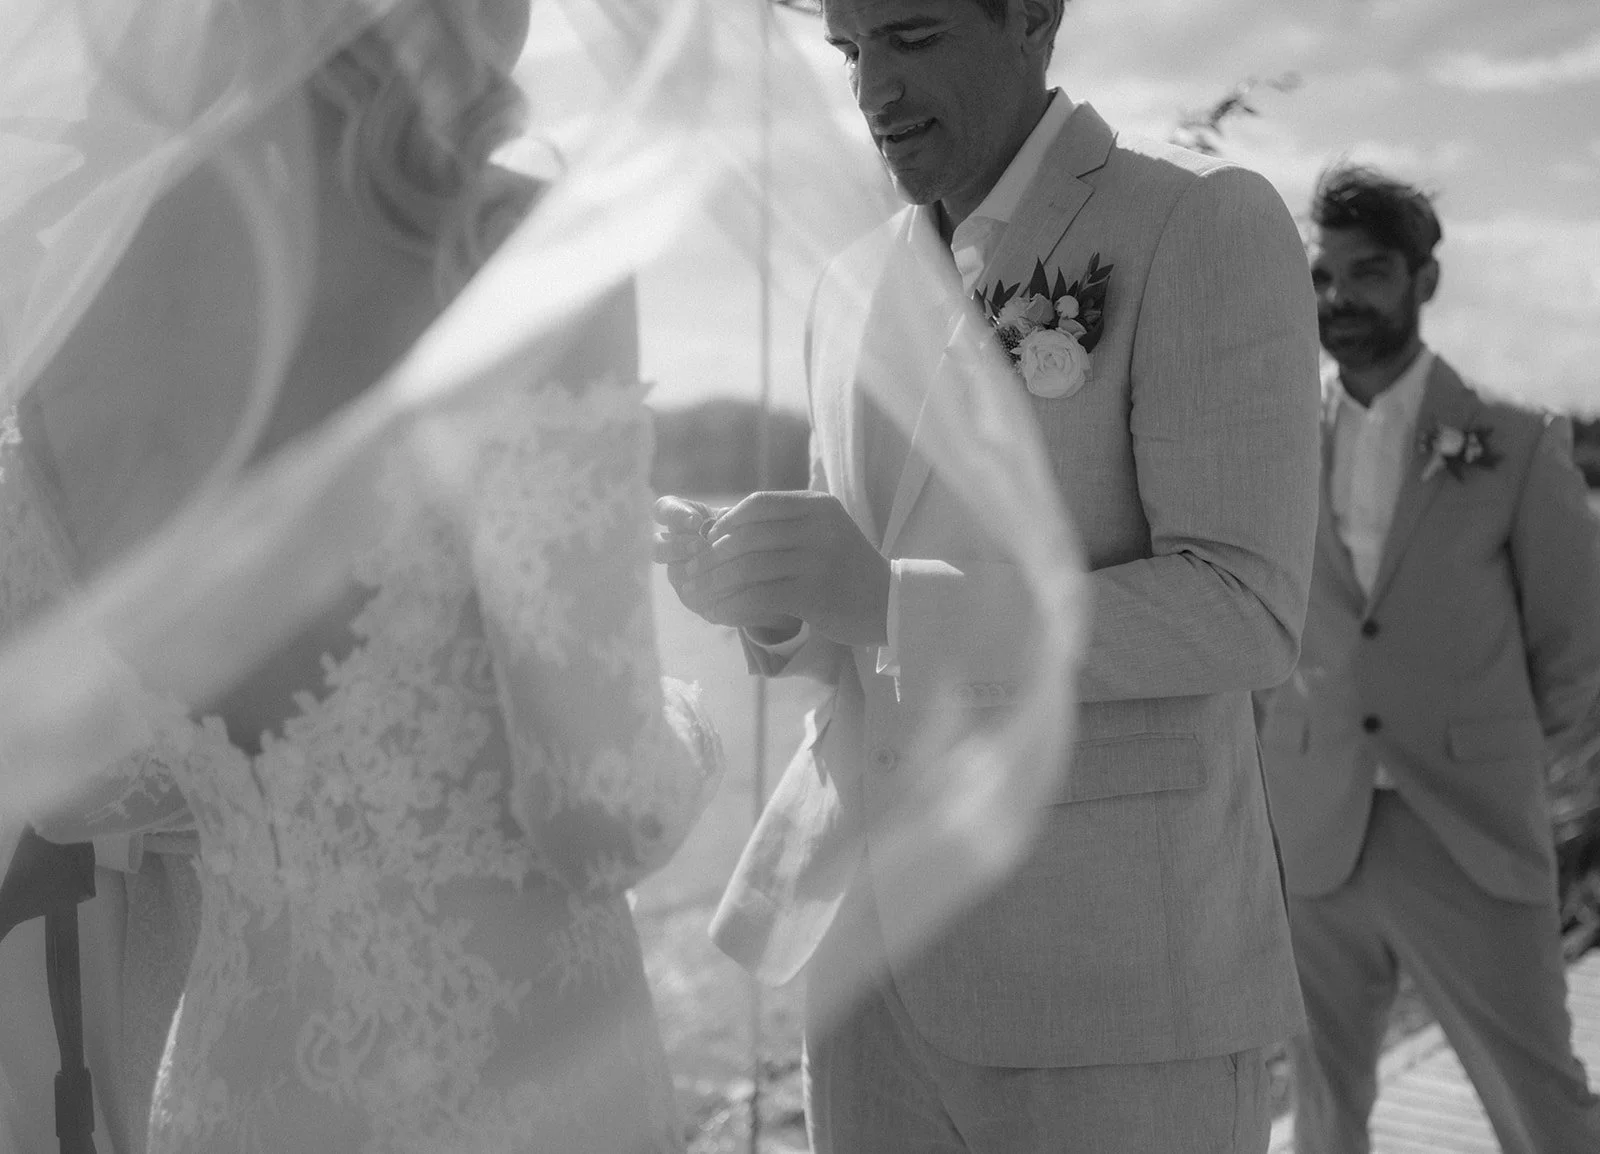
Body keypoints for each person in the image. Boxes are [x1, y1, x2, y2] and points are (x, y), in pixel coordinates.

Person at [0, 0, 722, 1150]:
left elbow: (76, 788)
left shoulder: (82, 300)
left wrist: (272, 794)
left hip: (236, 1093)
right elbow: (601, 814)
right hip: (515, 1081)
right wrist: (692, 724)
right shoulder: (514, 250)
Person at [655, 0, 1322, 1149]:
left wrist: (892, 600)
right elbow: (856, 624)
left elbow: (1242, 607)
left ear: (1032, 17)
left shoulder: (1197, 223)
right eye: (850, 49)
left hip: (1108, 978)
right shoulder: (847, 283)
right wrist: (772, 602)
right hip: (863, 963)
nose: (872, 91)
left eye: (911, 38)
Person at [1256, 163, 1600, 1154]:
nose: (1338, 298)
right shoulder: (1275, 437)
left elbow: (1576, 650)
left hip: (1467, 828)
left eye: (1366, 272)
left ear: (1424, 279)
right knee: (1323, 1118)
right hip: (1314, 829)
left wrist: (1501, 764)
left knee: (1543, 1110)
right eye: (1322, 277)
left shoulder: (1516, 441)